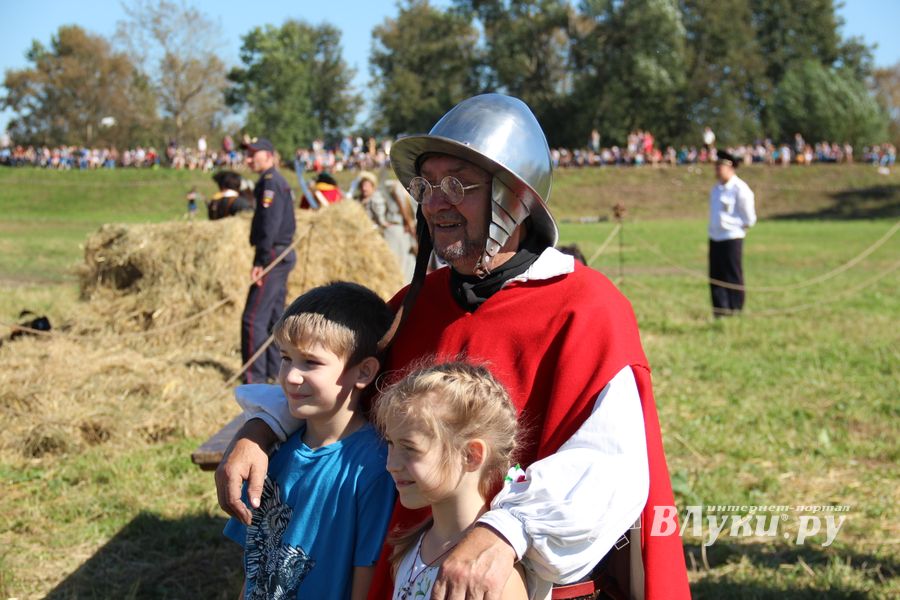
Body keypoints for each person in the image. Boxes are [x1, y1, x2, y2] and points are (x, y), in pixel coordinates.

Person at [217, 94, 690, 600]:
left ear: (515, 197)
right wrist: (259, 431)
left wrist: (505, 530)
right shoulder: (415, 306)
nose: (435, 203)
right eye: (426, 185)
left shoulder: (586, 308)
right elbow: (339, 380)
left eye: (456, 185)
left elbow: (609, 465)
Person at [224, 282, 398, 599]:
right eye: (285, 358)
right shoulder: (272, 451)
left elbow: (367, 575)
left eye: (311, 362)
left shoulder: (374, 468)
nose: (291, 376)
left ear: (364, 372)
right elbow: (254, 565)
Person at [373, 362, 528, 600]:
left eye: (410, 448)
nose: (391, 464)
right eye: (391, 444)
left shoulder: (495, 578)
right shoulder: (408, 549)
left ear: (470, 455)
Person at [241, 137, 297, 383]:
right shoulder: (275, 180)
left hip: (273, 254)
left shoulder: (270, 182)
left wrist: (260, 261)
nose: (248, 160)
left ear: (269, 156)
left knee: (253, 319)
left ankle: (254, 379)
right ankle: (275, 371)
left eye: (253, 154)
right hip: (280, 253)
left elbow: (269, 225)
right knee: (275, 318)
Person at [708, 149, 757, 317]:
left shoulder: (740, 189)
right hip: (715, 237)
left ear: (730, 168)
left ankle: (735, 309)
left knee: (732, 275)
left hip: (732, 237)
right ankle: (720, 310)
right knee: (716, 276)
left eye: (719, 166)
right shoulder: (716, 189)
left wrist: (734, 227)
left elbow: (749, 218)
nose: (716, 169)